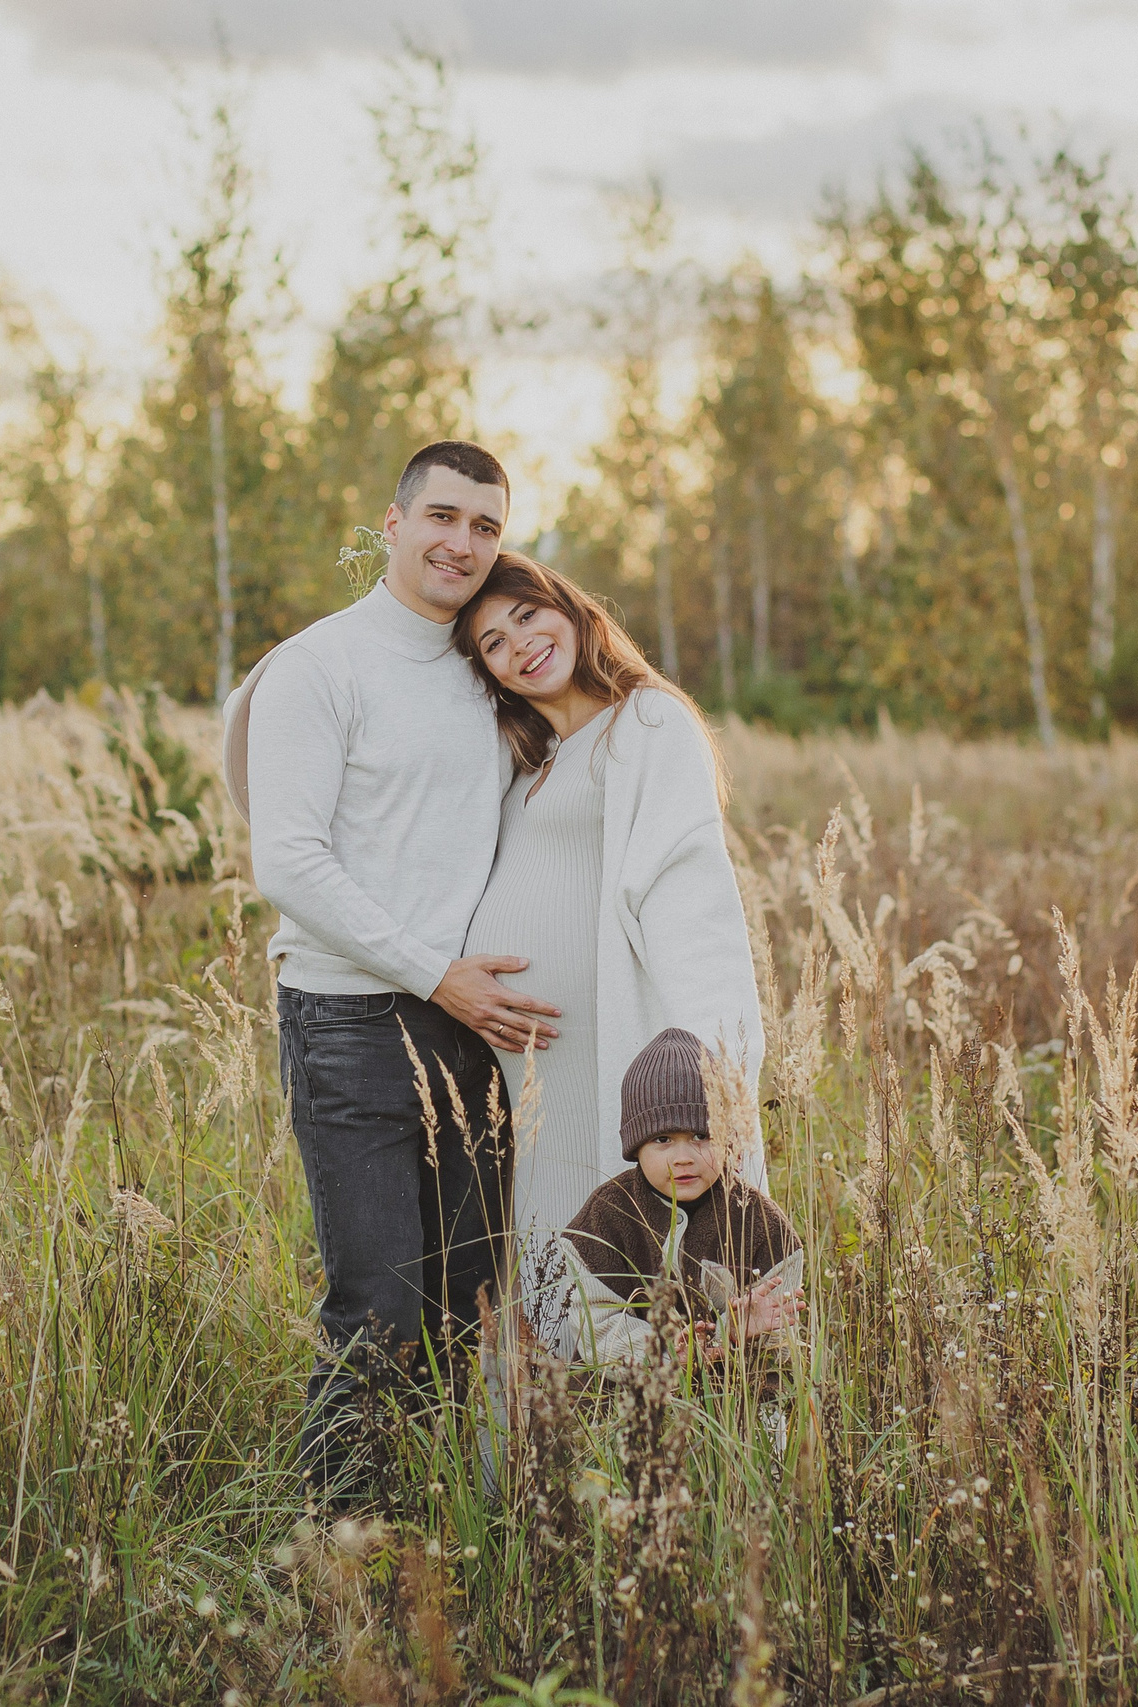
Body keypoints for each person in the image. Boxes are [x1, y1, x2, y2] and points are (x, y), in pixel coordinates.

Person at [222, 440, 562, 1505]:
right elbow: (288, 859)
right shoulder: (318, 667)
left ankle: (425, 1532)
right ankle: (341, 1555)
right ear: (393, 522)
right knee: (376, 1304)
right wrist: (434, 974)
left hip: (472, 1028)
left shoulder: (483, 667)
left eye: (486, 526)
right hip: (350, 1023)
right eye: (443, 517)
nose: (462, 543)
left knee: (466, 1295)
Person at [451, 551, 765, 1356]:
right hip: (535, 1082)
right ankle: (554, 1472)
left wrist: (710, 1081)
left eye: (528, 615)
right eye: (492, 642)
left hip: (611, 1067)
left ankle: (657, 1469)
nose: (519, 644)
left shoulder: (645, 723)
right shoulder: (527, 764)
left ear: (573, 609)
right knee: (556, 1290)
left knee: (631, 1285)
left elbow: (692, 903)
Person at [557, 1028, 803, 1382]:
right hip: (625, 1412)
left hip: (730, 1411)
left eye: (702, 1137)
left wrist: (730, 1334)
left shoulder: (762, 1225)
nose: (683, 1158)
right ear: (635, 1147)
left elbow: (779, 1348)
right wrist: (669, 1351)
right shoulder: (605, 1217)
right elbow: (597, 1327)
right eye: (663, 1139)